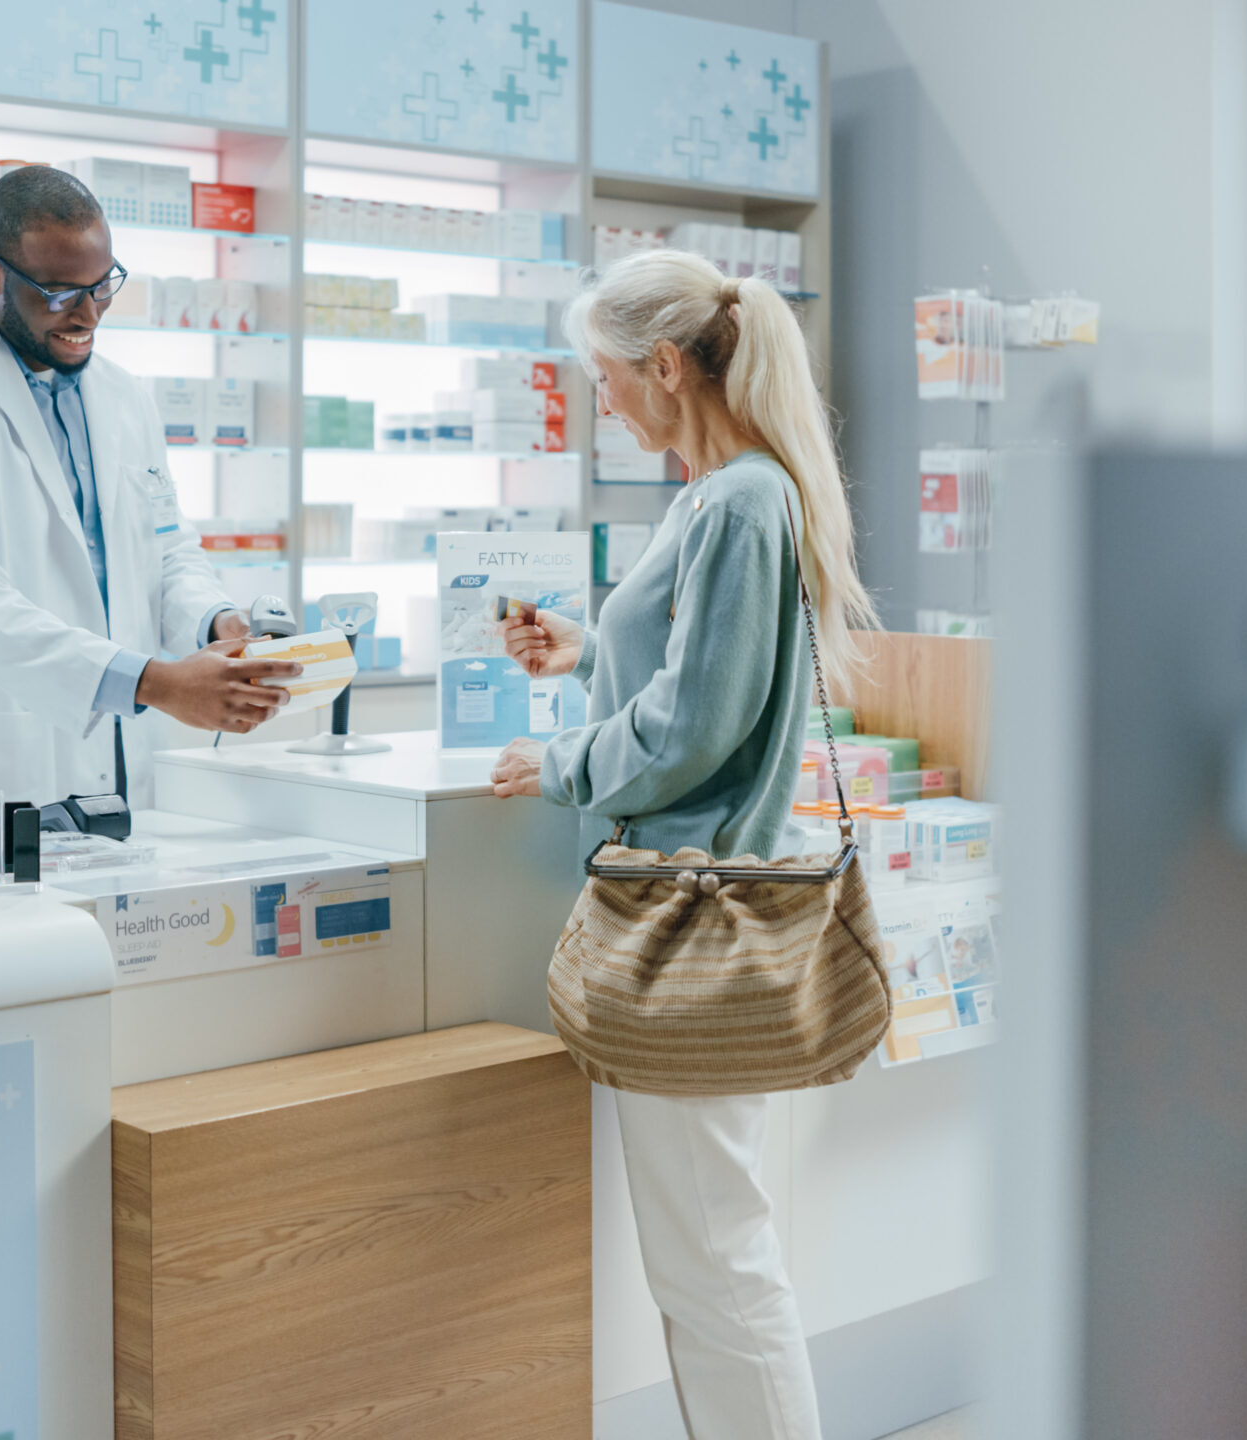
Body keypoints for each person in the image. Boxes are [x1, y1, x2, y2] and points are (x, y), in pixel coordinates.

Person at [490, 249, 879, 1440]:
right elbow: (691, 676)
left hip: (695, 918)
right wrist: (584, 653)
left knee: (717, 1267)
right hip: (693, 903)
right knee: (707, 1263)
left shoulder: (740, 499)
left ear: (665, 367)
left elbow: (699, 726)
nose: (602, 401)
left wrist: (559, 761)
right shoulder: (724, 496)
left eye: (608, 378)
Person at [0, 166, 299, 808]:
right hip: (5, 768)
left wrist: (217, 623)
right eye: (61, 292)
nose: (88, 314)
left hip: (126, 767)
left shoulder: (123, 396)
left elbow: (168, 550)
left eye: (102, 286)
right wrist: (155, 684)